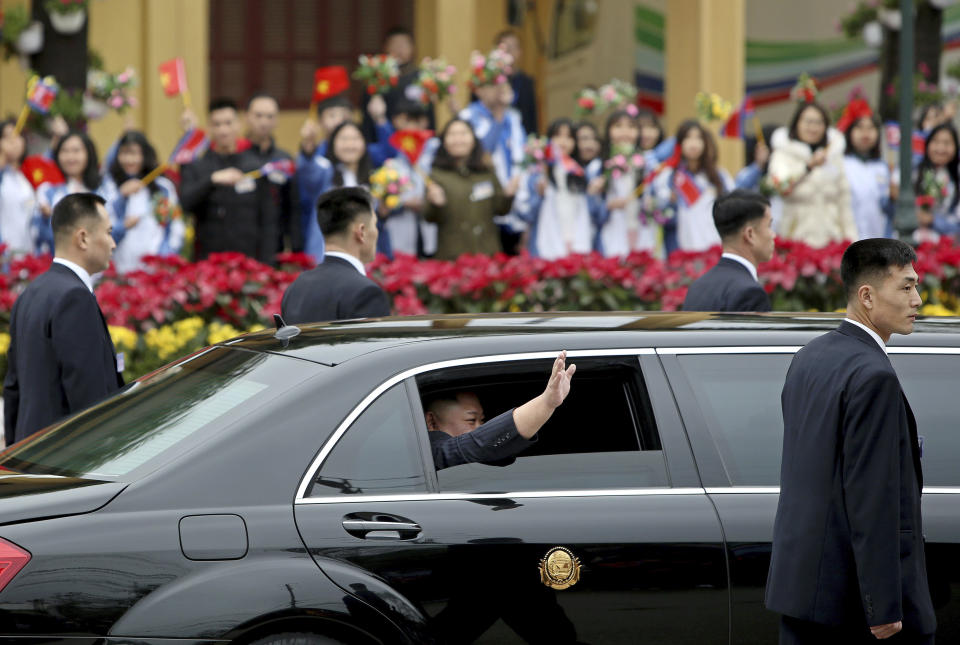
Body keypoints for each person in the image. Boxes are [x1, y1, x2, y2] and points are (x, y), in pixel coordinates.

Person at [766, 238, 935, 644]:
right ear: (867, 296)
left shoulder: (809, 355)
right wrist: (883, 606)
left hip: (802, 595)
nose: (918, 299)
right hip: (854, 611)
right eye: (907, 287)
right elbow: (872, 498)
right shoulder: (873, 375)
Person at [3, 193, 124, 446]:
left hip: (31, 454)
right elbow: (89, 399)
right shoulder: (74, 297)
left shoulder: (30, 293)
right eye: (109, 232)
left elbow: (13, 387)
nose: (113, 244)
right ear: (83, 238)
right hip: (69, 460)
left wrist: (14, 456)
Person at [426, 351, 576, 470]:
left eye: (482, 420)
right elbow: (474, 445)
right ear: (432, 422)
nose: (479, 428)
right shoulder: (429, 453)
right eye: (471, 420)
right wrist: (546, 402)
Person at [180, 97, 277, 263]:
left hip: (248, 261)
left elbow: (268, 220)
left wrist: (267, 262)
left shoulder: (254, 166)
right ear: (209, 127)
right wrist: (212, 180)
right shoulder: (198, 166)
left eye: (228, 123)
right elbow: (185, 203)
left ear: (238, 124)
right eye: (217, 124)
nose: (223, 130)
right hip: (208, 260)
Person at [281, 186, 390, 323]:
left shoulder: (296, 288)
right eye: (375, 224)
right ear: (361, 232)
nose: (376, 232)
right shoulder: (366, 292)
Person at [768, 101, 856, 248]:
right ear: (797, 123)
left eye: (819, 122)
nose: (813, 128)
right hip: (795, 239)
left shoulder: (833, 156)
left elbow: (844, 203)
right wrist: (808, 167)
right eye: (808, 122)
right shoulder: (783, 153)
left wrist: (851, 241)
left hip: (831, 239)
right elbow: (780, 185)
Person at [423, 118, 515, 259]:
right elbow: (429, 217)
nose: (458, 139)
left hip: (487, 253)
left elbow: (501, 210)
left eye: (464, 133)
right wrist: (437, 204)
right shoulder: (436, 175)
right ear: (444, 141)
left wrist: (508, 196)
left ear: (473, 140)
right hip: (452, 256)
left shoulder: (487, 172)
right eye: (452, 134)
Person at [648, 119, 735, 253]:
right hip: (680, 249)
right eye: (688, 138)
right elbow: (660, 215)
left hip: (714, 247)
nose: (693, 144)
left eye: (698, 138)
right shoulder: (668, 176)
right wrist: (669, 203)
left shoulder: (719, 175)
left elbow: (732, 209)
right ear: (679, 143)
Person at [103, 131, 184, 274]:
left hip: (156, 271)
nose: (129, 160)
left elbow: (175, 225)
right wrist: (122, 198)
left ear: (145, 155)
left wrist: (166, 255)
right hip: (118, 272)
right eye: (124, 153)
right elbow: (102, 230)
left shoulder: (162, 188)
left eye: (135, 154)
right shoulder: (109, 187)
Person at [682, 190, 774, 312]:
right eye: (769, 226)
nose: (773, 235)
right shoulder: (750, 293)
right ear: (750, 234)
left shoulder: (697, 287)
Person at [515, 118, 592, 258]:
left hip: (576, 244)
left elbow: (592, 213)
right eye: (558, 136)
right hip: (545, 246)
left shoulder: (579, 172)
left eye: (569, 137)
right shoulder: (537, 172)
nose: (563, 141)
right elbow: (525, 215)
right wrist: (539, 195)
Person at [245, 92, 300, 253]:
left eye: (270, 117)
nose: (264, 122)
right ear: (247, 117)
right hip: (241, 242)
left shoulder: (284, 159)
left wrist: (295, 246)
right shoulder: (236, 155)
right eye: (258, 116)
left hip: (275, 242)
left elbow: (293, 206)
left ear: (276, 120)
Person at [35, 131, 103, 254]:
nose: (70, 157)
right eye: (65, 151)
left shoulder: (102, 190)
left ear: (89, 153)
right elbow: (40, 237)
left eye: (76, 151)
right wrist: (46, 219)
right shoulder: (47, 191)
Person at [841, 105, 893, 240]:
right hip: (848, 239)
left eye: (871, 128)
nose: (866, 133)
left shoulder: (882, 167)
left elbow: (885, 206)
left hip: (877, 239)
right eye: (859, 127)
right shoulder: (841, 163)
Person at [913, 123, 960, 243]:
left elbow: (956, 225)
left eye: (947, 143)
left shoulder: (955, 178)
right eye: (936, 141)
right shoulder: (914, 171)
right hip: (910, 244)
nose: (940, 148)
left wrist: (933, 220)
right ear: (928, 144)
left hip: (941, 247)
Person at [0, 118, 34, 256]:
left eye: (18, 136)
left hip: (23, 256)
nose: (13, 141)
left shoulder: (23, 176)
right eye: (7, 137)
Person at [495, 29, 538, 136]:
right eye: (505, 48)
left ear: (520, 52)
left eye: (513, 47)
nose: (509, 52)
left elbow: (532, 119)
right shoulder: (488, 81)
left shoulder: (527, 82)